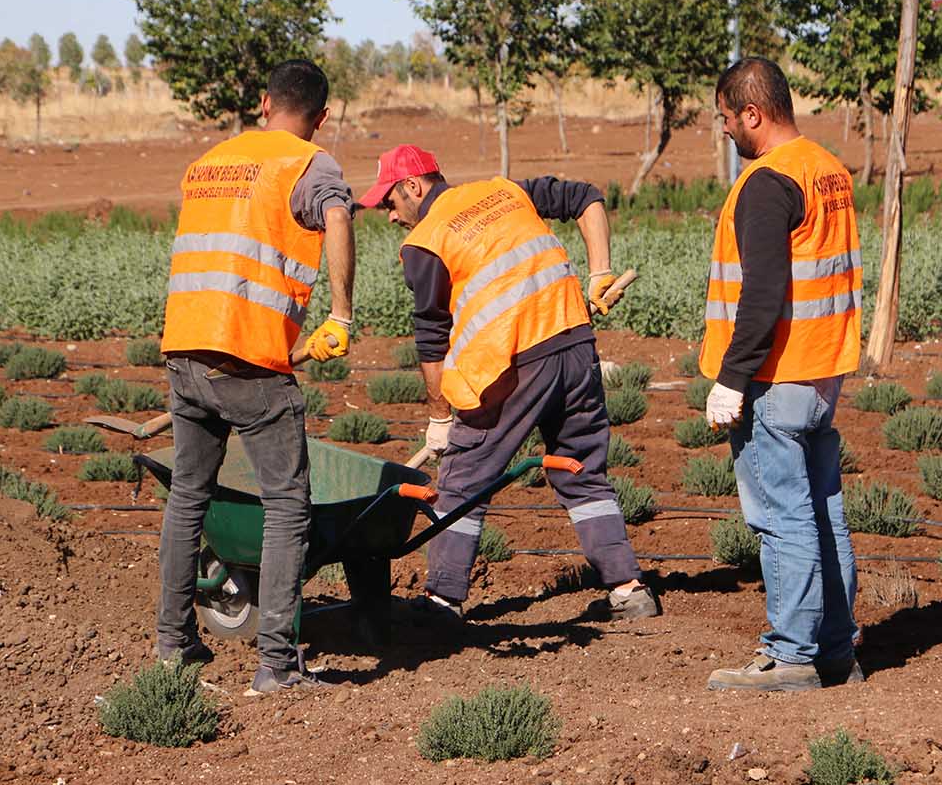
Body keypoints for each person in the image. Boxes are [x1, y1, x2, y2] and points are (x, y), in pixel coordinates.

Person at [358, 144, 661, 622]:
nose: (390, 216)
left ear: (412, 186)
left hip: (512, 364)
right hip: (575, 344)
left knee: (461, 479)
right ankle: (628, 587)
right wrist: (599, 271)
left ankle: (441, 602)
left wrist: (440, 418)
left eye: (389, 202)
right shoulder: (504, 191)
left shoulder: (426, 241)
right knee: (581, 469)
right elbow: (586, 197)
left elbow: (432, 342)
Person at [156, 59, 356, 696]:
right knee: (288, 506)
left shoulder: (210, 161)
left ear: (264, 103)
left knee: (189, 495)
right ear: (322, 117)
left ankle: (173, 643)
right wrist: (342, 315)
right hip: (248, 360)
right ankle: (276, 665)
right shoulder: (309, 163)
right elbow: (340, 218)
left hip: (185, 349)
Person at [700, 57, 864, 691]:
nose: (723, 131)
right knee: (824, 511)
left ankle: (791, 654)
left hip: (777, 377)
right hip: (824, 373)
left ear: (753, 114)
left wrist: (733, 379)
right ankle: (833, 652)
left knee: (781, 515)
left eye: (725, 118)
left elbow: (763, 294)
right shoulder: (828, 169)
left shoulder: (767, 183)